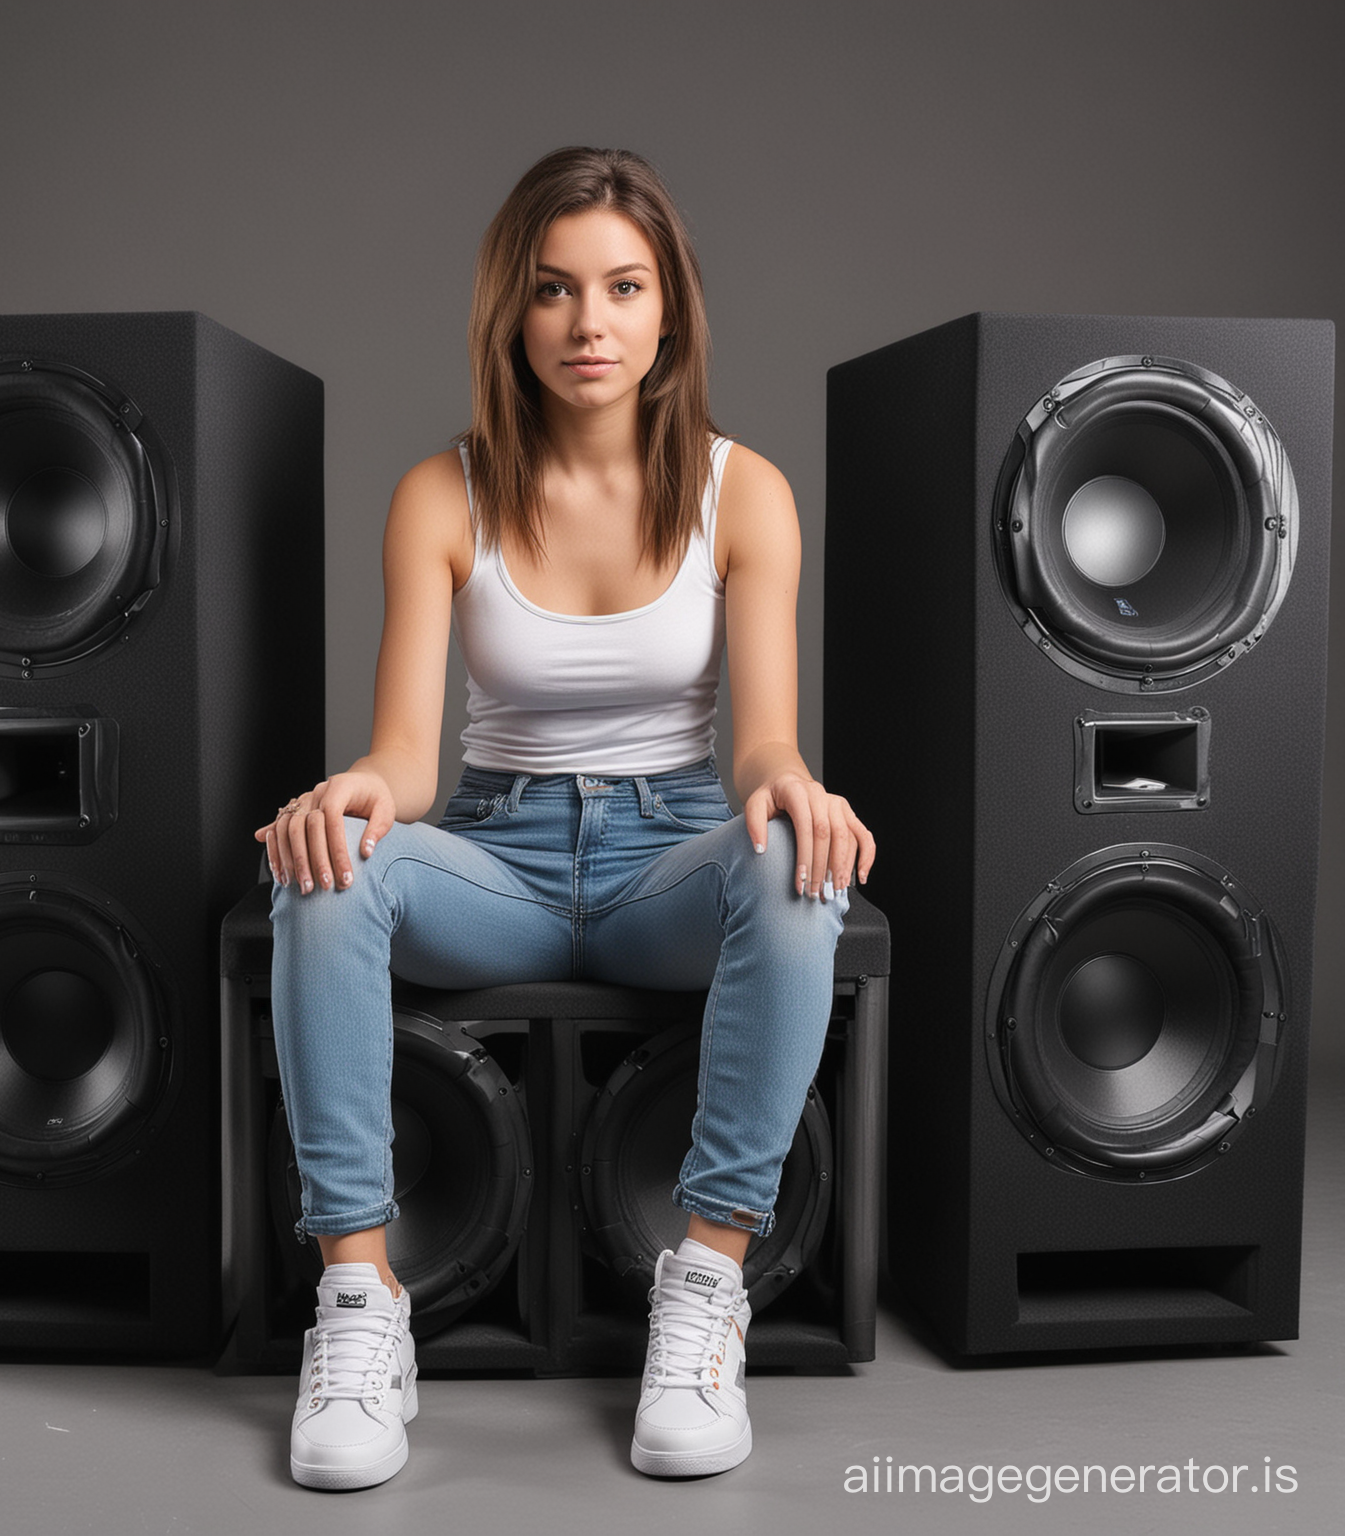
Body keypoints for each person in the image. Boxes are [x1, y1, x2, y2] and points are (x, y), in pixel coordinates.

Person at [255, 146, 875, 1491]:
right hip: (499, 857)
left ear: (670, 313)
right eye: (552, 291)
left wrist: (788, 784)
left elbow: (764, 737)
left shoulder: (744, 491)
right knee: (327, 872)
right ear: (510, 313)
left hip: (670, 863)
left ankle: (707, 1294)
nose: (588, 324)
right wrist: (361, 789)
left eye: (622, 287)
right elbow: (410, 758)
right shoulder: (442, 492)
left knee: (790, 868)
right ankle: (361, 1314)